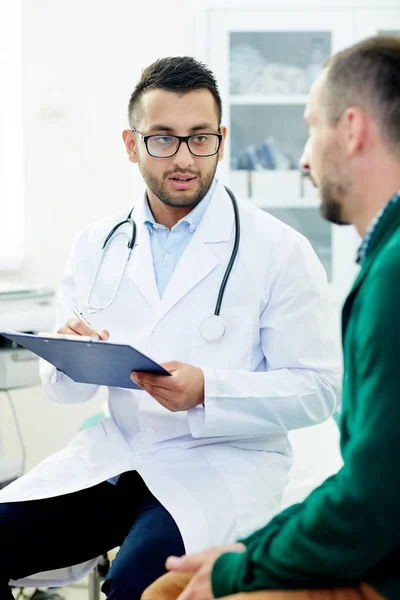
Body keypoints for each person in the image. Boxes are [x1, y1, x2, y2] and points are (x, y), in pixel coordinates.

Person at [0, 57, 340, 600]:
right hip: (117, 454)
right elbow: (64, 390)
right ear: (132, 144)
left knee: (141, 583)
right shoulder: (96, 243)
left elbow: (320, 389)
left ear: (222, 140)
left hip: (221, 463)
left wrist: (211, 389)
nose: (183, 158)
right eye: (162, 139)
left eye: (199, 138)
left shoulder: (279, 250)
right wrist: (69, 351)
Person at [142, 36, 400, 600]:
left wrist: (242, 566)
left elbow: (374, 494)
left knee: (165, 590)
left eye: (311, 128)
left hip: (380, 560)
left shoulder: (391, 271)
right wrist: (253, 552)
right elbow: (369, 476)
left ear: (352, 130)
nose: (304, 157)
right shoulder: (386, 258)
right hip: (133, 458)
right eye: (163, 138)